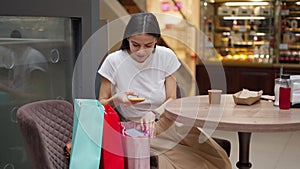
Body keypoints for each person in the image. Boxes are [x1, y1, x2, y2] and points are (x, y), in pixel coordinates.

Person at [98, 12, 231, 169]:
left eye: (148, 45)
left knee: (217, 158)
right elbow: (101, 105)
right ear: (127, 38)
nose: (141, 51)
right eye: (135, 44)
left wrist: (153, 113)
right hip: (138, 129)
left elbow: (172, 99)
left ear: (156, 41)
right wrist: (118, 99)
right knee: (194, 163)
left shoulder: (166, 56)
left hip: (170, 121)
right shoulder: (114, 61)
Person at [0, 30, 50, 103]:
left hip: (31, 104)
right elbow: (17, 83)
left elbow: (41, 96)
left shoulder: (33, 58)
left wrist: (8, 90)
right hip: (18, 101)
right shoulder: (13, 54)